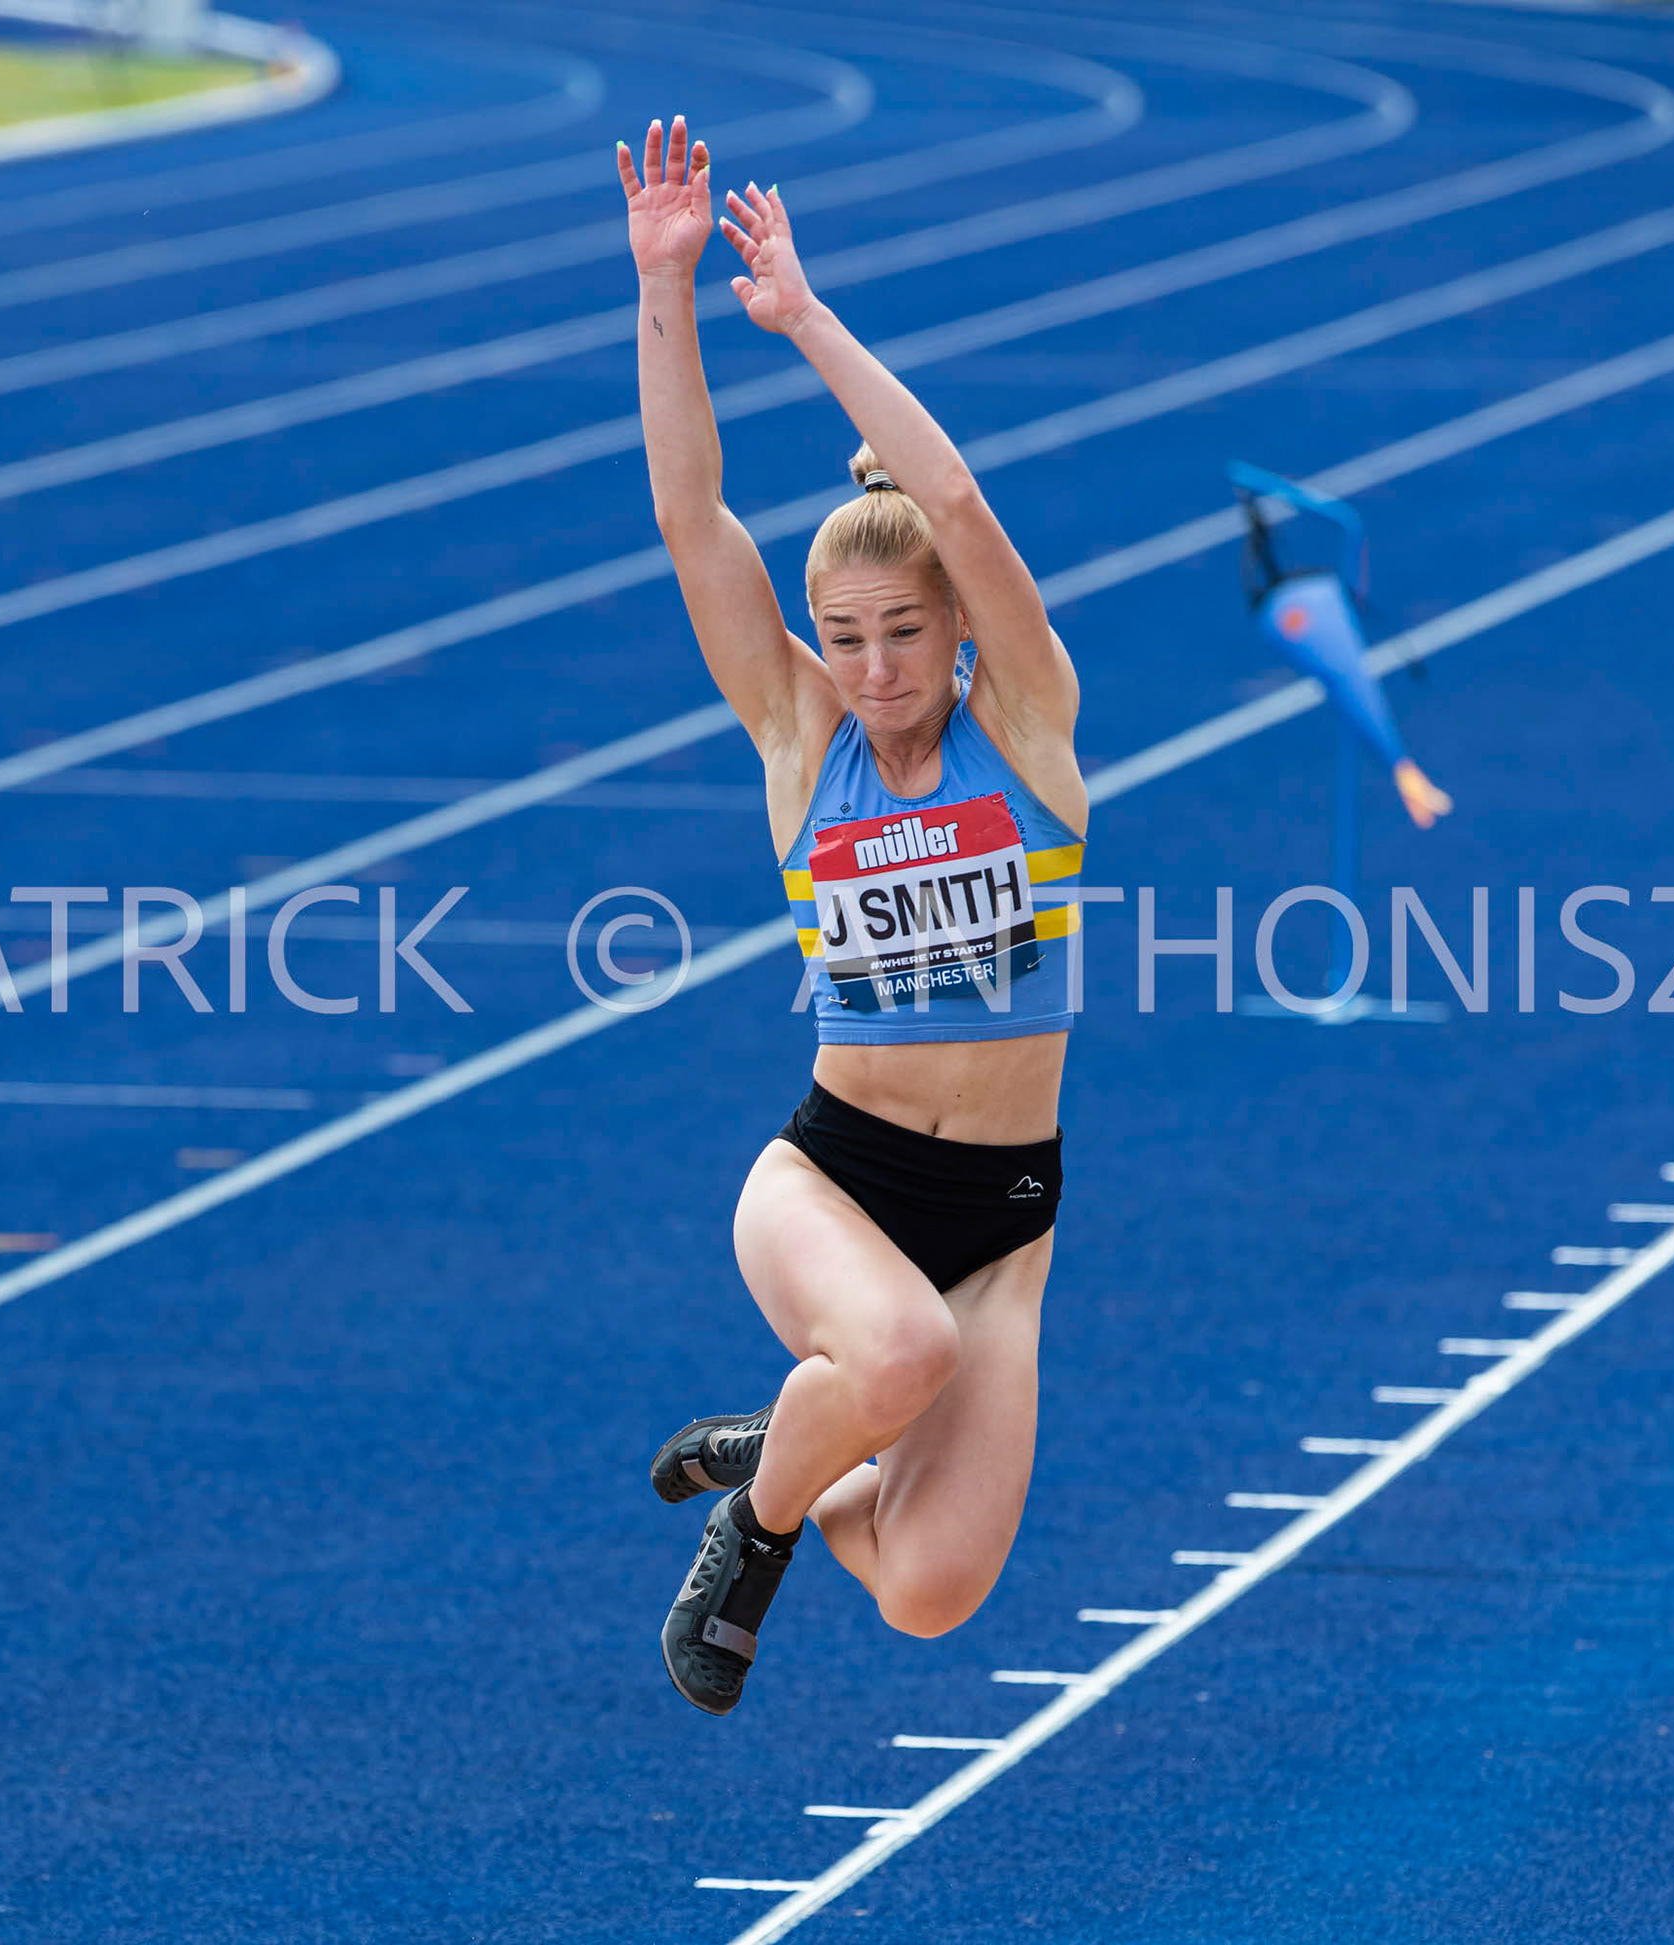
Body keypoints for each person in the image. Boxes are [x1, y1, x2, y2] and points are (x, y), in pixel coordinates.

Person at [618, 116, 1089, 1716]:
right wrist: (665, 286)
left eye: (905, 633)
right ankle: (747, 1538)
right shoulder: (799, 742)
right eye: (846, 636)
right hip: (828, 1176)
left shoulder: (1024, 729)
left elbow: (949, 494)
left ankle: (789, 1453)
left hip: (1001, 1225)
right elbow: (696, 524)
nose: (877, 668)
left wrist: (806, 317)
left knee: (932, 1589)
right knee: (889, 1357)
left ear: (962, 632)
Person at [1230, 462, 1452, 829]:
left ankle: (1403, 769)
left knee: (1347, 685)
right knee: (1347, 683)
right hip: (1313, 610)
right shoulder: (1320, 606)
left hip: (1311, 609)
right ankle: (1404, 770)